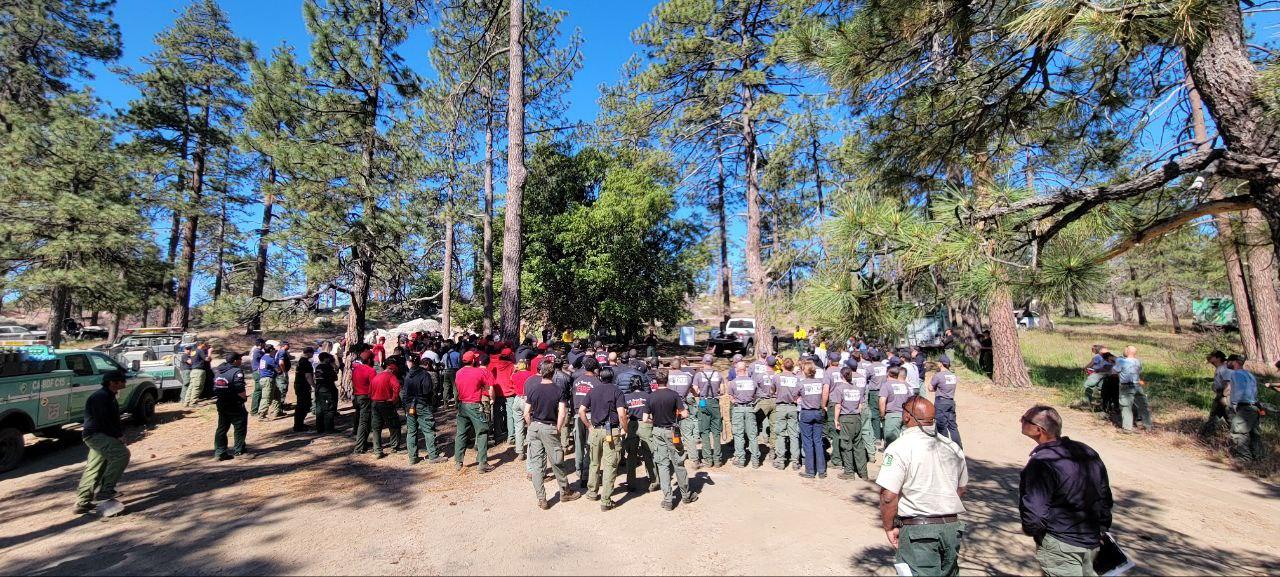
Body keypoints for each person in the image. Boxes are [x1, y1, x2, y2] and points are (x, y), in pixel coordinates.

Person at [877, 396, 968, 577]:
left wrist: (889, 527)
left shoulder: (899, 448)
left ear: (907, 417)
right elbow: (961, 488)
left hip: (918, 532)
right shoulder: (952, 447)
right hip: (951, 527)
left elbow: (888, 496)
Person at [1019, 405, 1113, 576]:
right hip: (1091, 541)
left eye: (1025, 419)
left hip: (1060, 545)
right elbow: (1104, 494)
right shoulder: (1086, 450)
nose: (1021, 421)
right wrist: (1102, 527)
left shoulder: (1042, 462)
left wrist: (1032, 530)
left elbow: (1035, 513)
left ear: (1039, 430)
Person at [74, 371, 132, 514]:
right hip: (95, 435)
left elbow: (113, 419)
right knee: (121, 454)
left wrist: (119, 433)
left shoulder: (109, 396)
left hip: (100, 434)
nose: (125, 382)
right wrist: (117, 435)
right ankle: (106, 491)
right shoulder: (101, 397)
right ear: (112, 383)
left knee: (95, 467)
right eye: (122, 380)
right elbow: (103, 420)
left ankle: (83, 502)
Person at [525, 362, 582, 509]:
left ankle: (541, 499)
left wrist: (530, 424)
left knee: (537, 465)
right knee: (557, 461)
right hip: (549, 427)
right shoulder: (558, 390)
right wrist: (557, 428)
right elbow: (562, 412)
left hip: (535, 427)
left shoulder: (533, 388)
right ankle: (565, 492)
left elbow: (526, 412)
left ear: (541, 372)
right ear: (553, 373)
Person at [649, 368, 698, 510]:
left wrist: (655, 420)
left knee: (663, 465)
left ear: (656, 381)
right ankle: (686, 495)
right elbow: (685, 414)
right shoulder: (674, 395)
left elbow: (646, 418)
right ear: (668, 380)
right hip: (673, 431)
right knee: (678, 462)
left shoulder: (651, 397)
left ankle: (668, 499)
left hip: (658, 431)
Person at [580, 366, 628, 510]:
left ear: (600, 377)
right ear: (612, 377)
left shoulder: (593, 390)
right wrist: (624, 429)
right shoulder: (617, 391)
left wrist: (588, 426)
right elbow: (621, 414)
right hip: (611, 432)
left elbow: (582, 410)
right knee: (610, 465)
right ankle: (606, 499)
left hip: (595, 430)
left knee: (594, 463)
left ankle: (592, 492)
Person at [454, 351, 494, 472]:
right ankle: (482, 463)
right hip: (475, 406)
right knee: (482, 432)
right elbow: (487, 387)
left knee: (461, 434)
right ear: (473, 361)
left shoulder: (459, 372)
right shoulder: (479, 372)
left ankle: (458, 462)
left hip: (462, 405)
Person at [401, 354, 445, 464]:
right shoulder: (424, 374)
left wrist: (406, 406)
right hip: (422, 405)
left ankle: (413, 457)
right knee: (428, 430)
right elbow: (428, 391)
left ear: (410, 363)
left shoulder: (407, 376)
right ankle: (433, 456)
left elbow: (404, 393)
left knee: (411, 431)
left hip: (410, 406)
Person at [622, 372, 658, 493]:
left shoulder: (626, 397)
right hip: (646, 424)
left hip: (632, 425)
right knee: (649, 454)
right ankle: (654, 480)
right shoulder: (648, 396)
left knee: (631, 455)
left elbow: (624, 414)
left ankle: (631, 483)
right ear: (641, 384)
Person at [832, 365, 869, 481]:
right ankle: (863, 472)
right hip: (856, 417)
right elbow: (860, 405)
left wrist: (835, 419)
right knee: (858, 445)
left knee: (846, 445)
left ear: (841, 376)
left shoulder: (839, 389)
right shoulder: (857, 389)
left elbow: (838, 406)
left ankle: (849, 472)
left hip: (845, 418)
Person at [212, 352, 250, 461]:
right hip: (234, 403)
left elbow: (214, 385)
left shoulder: (218, 370)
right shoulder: (236, 371)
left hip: (221, 402)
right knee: (240, 426)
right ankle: (239, 450)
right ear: (235, 361)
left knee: (222, 428)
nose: (241, 361)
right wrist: (243, 398)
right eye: (240, 359)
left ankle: (220, 452)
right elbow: (239, 387)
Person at [572, 357, 603, 486]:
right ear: (595, 368)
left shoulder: (577, 381)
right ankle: (586, 473)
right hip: (590, 416)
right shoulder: (597, 383)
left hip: (577, 415)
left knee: (579, 444)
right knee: (590, 445)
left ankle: (579, 469)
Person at [1227, 355, 1264, 461]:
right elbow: (1254, 391)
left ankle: (1244, 458)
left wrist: (1234, 404)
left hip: (1244, 407)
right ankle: (1259, 457)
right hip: (1254, 407)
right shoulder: (1249, 374)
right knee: (1254, 434)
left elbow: (1239, 391)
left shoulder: (1235, 374)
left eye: (1229, 361)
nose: (1227, 364)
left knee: (1238, 432)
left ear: (1234, 362)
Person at [797, 363, 829, 479]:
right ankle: (821, 471)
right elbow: (826, 394)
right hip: (818, 412)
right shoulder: (820, 383)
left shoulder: (801, 383)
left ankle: (810, 471)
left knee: (808, 442)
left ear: (804, 371)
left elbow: (794, 395)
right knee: (818, 441)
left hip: (806, 413)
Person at [692, 355, 724, 468]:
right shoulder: (718, 374)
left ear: (703, 362)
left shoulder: (698, 375)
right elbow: (723, 391)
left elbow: (695, 391)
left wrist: (700, 392)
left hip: (703, 402)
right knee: (716, 432)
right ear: (712, 362)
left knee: (704, 431)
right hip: (715, 402)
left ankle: (707, 459)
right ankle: (717, 460)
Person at [369, 357, 405, 459]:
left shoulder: (376, 377)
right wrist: (394, 399)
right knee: (394, 425)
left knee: (376, 427)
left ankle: (377, 450)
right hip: (386, 403)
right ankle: (394, 447)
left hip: (375, 403)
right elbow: (397, 387)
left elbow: (370, 391)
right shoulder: (390, 376)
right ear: (392, 370)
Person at [728, 360, 760, 468]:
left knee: (738, 435)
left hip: (738, 410)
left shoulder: (732, 383)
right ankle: (755, 461)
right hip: (750, 409)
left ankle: (741, 460)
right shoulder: (753, 382)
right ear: (746, 370)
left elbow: (731, 398)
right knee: (753, 435)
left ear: (737, 370)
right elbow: (756, 395)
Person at [773, 359, 803, 470]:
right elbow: (800, 393)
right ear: (792, 367)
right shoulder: (797, 379)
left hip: (781, 407)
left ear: (783, 366)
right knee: (794, 434)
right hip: (793, 407)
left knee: (780, 434)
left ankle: (780, 460)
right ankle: (795, 461)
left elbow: (772, 390)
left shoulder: (777, 377)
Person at [1115, 346, 1150, 432]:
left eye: (1125, 349)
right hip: (1137, 385)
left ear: (1127, 351)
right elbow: (1139, 371)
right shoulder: (1138, 362)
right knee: (1143, 405)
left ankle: (1127, 428)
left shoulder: (1122, 362)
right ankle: (1148, 426)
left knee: (1126, 407)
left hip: (1126, 386)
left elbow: (1114, 371)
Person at [930, 357, 962, 447]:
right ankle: (958, 447)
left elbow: (930, 388)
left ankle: (946, 447)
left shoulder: (938, 375)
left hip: (941, 403)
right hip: (951, 402)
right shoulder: (953, 375)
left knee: (941, 426)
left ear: (941, 364)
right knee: (953, 427)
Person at [350, 348, 377, 453]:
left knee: (364, 421)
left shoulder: (356, 369)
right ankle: (359, 447)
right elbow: (374, 386)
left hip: (357, 396)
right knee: (364, 422)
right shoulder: (371, 371)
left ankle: (363, 442)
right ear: (369, 360)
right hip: (366, 397)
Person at [1201, 351, 1232, 437]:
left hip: (1224, 396)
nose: (1210, 358)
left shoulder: (1224, 368)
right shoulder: (1220, 368)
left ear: (1218, 358)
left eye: (1212, 356)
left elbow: (1228, 384)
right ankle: (1205, 436)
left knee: (1229, 418)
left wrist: (1224, 397)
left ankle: (1240, 440)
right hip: (1221, 395)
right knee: (1215, 416)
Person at [862, 352, 887, 461]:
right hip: (885, 391)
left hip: (874, 392)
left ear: (871, 358)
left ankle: (877, 437)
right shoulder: (884, 367)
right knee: (885, 412)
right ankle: (885, 436)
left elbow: (865, 379)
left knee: (875, 414)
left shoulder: (870, 367)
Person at [880, 365, 912, 445]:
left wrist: (882, 415)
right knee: (903, 441)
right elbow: (910, 400)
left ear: (888, 374)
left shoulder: (886, 385)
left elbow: (882, 401)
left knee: (891, 443)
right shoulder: (905, 385)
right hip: (904, 415)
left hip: (892, 416)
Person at [314, 352, 339, 434]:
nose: (329, 359)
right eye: (328, 358)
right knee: (329, 409)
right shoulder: (327, 367)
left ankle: (319, 428)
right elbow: (335, 378)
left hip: (319, 389)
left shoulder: (317, 367)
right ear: (325, 358)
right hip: (327, 389)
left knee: (320, 409)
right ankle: (329, 428)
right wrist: (334, 369)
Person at [256, 344, 282, 420]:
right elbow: (278, 370)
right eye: (273, 349)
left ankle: (277, 411)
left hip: (265, 379)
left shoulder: (263, 358)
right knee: (266, 398)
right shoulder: (270, 359)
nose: (275, 350)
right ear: (271, 350)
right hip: (268, 380)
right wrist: (280, 371)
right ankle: (262, 415)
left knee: (277, 395)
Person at [293, 346, 315, 432]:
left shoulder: (301, 361)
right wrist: (314, 386)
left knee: (301, 405)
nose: (313, 355)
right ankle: (298, 426)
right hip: (303, 386)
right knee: (303, 405)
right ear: (309, 353)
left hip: (299, 385)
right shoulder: (306, 362)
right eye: (312, 353)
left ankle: (300, 423)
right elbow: (308, 376)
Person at [186, 340, 211, 407]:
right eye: (204, 345)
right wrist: (209, 352)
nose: (205, 346)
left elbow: (191, 361)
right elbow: (207, 359)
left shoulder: (193, 351)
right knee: (197, 387)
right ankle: (193, 403)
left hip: (193, 371)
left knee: (191, 387)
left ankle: (187, 402)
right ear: (201, 344)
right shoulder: (200, 351)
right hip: (199, 371)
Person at [275, 341, 292, 409]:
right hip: (281, 373)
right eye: (288, 345)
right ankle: (280, 406)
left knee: (282, 388)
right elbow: (281, 363)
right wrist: (284, 372)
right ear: (284, 345)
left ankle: (281, 404)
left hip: (280, 373)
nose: (289, 346)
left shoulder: (280, 351)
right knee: (283, 388)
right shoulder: (282, 351)